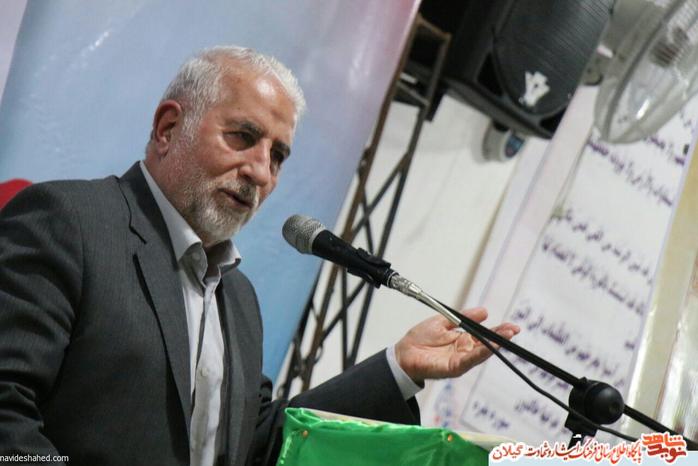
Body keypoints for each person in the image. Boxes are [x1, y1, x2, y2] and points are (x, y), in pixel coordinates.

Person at [0, 46, 519, 466]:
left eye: (278, 155)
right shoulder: (69, 223)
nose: (260, 171)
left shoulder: (239, 299)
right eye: (243, 137)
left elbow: (259, 445)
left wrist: (397, 367)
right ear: (168, 128)